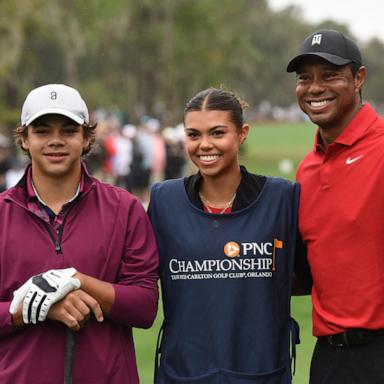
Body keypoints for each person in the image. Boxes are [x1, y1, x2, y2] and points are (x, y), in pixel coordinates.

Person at [148, 87, 310, 383]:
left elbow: (306, 278)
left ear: (242, 133)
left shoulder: (282, 198)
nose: (204, 145)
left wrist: (245, 278)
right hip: (184, 373)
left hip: (262, 372)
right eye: (194, 135)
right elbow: (141, 283)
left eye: (218, 133)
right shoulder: (164, 201)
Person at [0, 84, 159, 384]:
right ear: (24, 138)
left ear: (87, 137)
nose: (56, 141)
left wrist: (77, 280)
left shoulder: (124, 209)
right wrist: (35, 307)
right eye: (43, 131)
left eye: (69, 131)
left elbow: (145, 306)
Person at [287, 29, 384, 383]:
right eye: (305, 78)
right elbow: (309, 274)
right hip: (328, 358)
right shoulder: (307, 170)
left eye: (330, 76)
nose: (314, 88)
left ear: (358, 78)